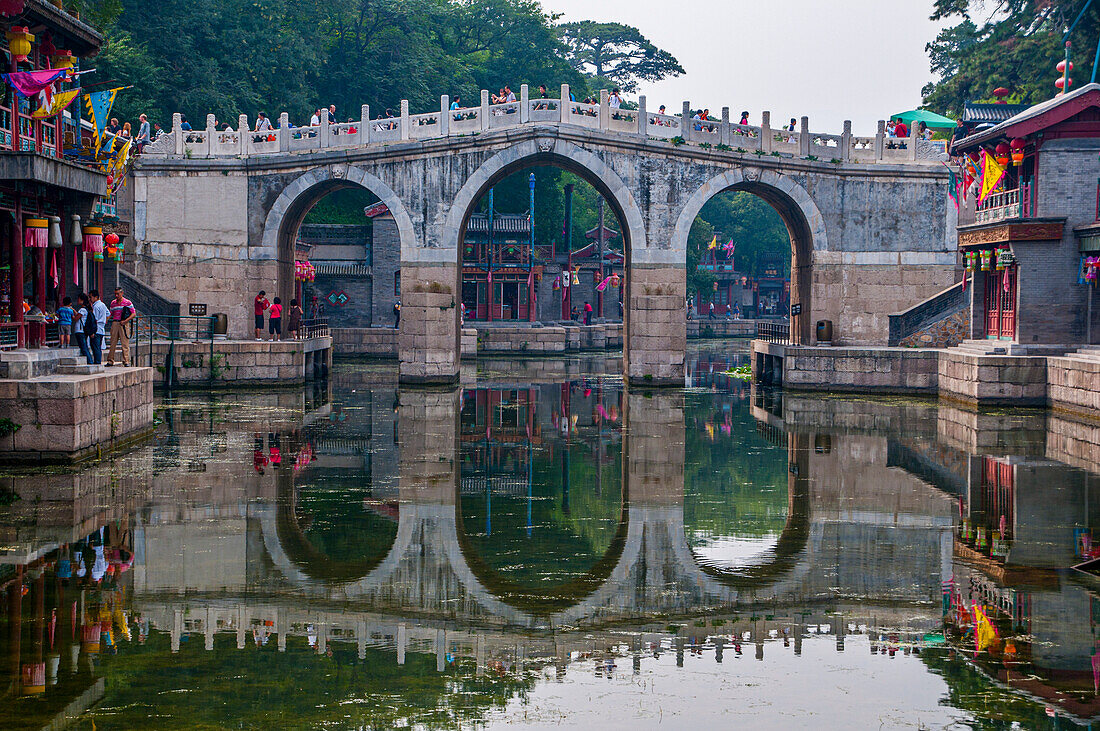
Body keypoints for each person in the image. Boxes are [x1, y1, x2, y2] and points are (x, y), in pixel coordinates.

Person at [107, 286, 135, 367]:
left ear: (122, 293)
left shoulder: (128, 302)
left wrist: (126, 321)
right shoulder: (113, 303)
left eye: (118, 294)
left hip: (124, 323)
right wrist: (106, 319)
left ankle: (126, 361)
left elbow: (133, 314)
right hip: (115, 322)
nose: (116, 296)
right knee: (113, 342)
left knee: (125, 343)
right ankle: (110, 360)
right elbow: (111, 313)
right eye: (115, 294)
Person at [89, 290, 109, 365]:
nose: (90, 299)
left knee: (96, 347)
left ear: (96, 297)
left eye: (91, 297)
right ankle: (97, 361)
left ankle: (97, 362)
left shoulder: (96, 307)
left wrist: (92, 331)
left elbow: (94, 319)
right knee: (98, 347)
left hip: (96, 329)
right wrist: (104, 321)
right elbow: (108, 313)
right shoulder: (102, 305)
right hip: (101, 328)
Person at [75, 294, 93, 364]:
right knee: (83, 346)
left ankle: (90, 361)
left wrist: (70, 314)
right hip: (83, 330)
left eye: (79, 299)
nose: (77, 300)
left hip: (80, 330)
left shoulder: (82, 309)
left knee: (84, 347)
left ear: (82, 300)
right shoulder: (85, 310)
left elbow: (76, 318)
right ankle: (89, 361)